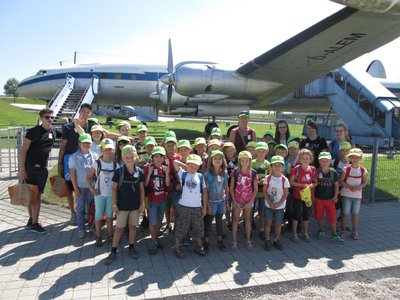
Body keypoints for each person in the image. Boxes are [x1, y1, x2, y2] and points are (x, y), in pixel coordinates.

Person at [58, 103, 97, 224]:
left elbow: (104, 132)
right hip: (70, 159)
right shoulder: (69, 127)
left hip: (85, 160)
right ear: (80, 112)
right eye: (83, 111)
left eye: (88, 112)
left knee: (85, 185)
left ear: (90, 114)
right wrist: (59, 163)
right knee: (70, 188)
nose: (85, 114)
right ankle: (73, 213)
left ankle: (85, 213)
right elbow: (63, 145)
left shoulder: (91, 126)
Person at [19, 108, 56, 234]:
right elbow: (23, 150)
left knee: (37, 195)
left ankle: (33, 221)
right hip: (30, 167)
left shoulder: (54, 132)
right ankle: (34, 222)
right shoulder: (33, 132)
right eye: (47, 117)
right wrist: (22, 169)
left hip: (42, 168)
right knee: (31, 195)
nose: (50, 119)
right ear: (41, 118)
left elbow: (71, 133)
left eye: (52, 117)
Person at [106, 145, 145, 264]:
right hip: (122, 206)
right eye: (127, 157)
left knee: (133, 227)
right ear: (123, 158)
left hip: (134, 206)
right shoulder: (119, 172)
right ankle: (113, 250)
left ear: (136, 157)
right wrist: (114, 204)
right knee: (118, 229)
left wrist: (142, 203)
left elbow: (141, 189)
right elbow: (113, 188)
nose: (130, 159)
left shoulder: (139, 171)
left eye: (132, 156)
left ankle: (131, 247)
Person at [172, 154, 208, 258]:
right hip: (184, 206)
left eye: (196, 166)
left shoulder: (200, 176)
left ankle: (199, 246)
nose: (193, 168)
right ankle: (177, 246)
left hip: (197, 207)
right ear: (187, 165)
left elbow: (204, 192)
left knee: (198, 227)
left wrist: (204, 207)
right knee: (182, 226)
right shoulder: (183, 174)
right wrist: (186, 166)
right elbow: (175, 162)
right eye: (191, 166)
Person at [86, 138, 118, 247]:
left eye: (110, 150)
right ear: (101, 149)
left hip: (110, 195)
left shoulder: (115, 165)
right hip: (99, 194)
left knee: (109, 216)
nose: (108, 152)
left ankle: (110, 235)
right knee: (98, 215)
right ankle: (98, 236)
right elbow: (88, 177)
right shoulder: (97, 163)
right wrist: (91, 189)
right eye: (106, 149)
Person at [69, 133, 98, 238]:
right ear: (79, 144)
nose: (86, 145)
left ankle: (92, 226)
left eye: (88, 143)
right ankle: (80, 228)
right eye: (84, 143)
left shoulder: (95, 156)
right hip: (80, 187)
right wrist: (75, 188)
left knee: (92, 208)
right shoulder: (74, 157)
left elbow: (97, 173)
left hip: (92, 187)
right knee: (80, 209)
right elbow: (72, 174)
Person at [230, 151, 258, 252]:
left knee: (247, 220)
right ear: (239, 161)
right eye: (243, 160)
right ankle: (234, 241)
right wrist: (234, 201)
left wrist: (250, 202)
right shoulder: (235, 172)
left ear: (250, 161)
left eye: (247, 161)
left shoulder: (254, 173)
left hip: (248, 201)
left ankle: (248, 240)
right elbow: (232, 187)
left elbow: (255, 189)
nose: (245, 162)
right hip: (237, 201)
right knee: (235, 220)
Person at [144, 146, 170, 254]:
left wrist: (167, 173)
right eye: (156, 156)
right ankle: (153, 241)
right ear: (152, 157)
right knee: (153, 221)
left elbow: (167, 184)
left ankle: (156, 238)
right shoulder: (148, 167)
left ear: (164, 158)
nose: (158, 159)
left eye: (161, 157)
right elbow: (145, 184)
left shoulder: (165, 168)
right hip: (153, 199)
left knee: (159, 220)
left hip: (162, 198)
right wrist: (149, 173)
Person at [289, 149, 318, 242]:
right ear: (300, 159)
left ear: (310, 159)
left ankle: (305, 233)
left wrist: (311, 185)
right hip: (298, 196)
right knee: (296, 215)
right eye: (303, 158)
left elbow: (316, 182)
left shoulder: (313, 170)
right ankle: (294, 234)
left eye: (307, 158)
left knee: (306, 215)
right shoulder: (296, 169)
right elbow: (291, 182)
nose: (305, 160)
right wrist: (301, 185)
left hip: (308, 197)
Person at [314, 152, 344, 242]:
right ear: (319, 161)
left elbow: (336, 185)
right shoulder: (317, 171)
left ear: (330, 161)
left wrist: (335, 197)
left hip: (330, 199)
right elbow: (314, 185)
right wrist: (313, 196)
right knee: (319, 216)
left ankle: (334, 233)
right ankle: (320, 230)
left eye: (326, 160)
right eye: (322, 160)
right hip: (319, 199)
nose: (324, 162)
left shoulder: (333, 172)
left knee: (332, 217)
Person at [203, 150, 229, 252]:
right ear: (211, 160)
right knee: (208, 222)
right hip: (212, 202)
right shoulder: (208, 174)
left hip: (221, 201)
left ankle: (220, 240)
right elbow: (205, 191)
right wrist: (207, 204)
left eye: (219, 158)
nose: (217, 160)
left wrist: (227, 201)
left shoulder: (225, 173)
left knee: (219, 221)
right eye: (215, 158)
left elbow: (226, 188)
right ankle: (206, 241)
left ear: (222, 160)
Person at [263, 156, 290, 251]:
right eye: (275, 165)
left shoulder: (284, 180)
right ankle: (267, 239)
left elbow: (286, 194)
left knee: (278, 223)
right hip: (268, 205)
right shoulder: (268, 178)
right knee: (268, 222)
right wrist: (270, 202)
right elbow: (264, 191)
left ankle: (277, 239)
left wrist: (278, 204)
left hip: (280, 206)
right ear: (271, 166)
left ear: (283, 167)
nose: (277, 167)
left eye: (280, 165)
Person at [339, 148, 368, 240]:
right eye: (353, 157)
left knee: (355, 214)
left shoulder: (363, 170)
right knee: (345, 213)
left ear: (360, 158)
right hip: (347, 195)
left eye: (357, 157)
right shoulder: (346, 169)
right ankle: (343, 230)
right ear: (349, 158)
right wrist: (350, 187)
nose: (355, 159)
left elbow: (365, 182)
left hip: (357, 196)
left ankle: (354, 231)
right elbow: (341, 181)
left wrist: (360, 187)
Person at [251, 142, 271, 239]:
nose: (261, 153)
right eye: (259, 151)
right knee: (251, 209)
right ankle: (249, 226)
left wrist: (266, 179)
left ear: (267, 152)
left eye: (263, 151)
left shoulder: (268, 164)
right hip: (253, 192)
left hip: (263, 192)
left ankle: (262, 229)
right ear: (255, 151)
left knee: (261, 211)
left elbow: (271, 176)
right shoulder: (252, 163)